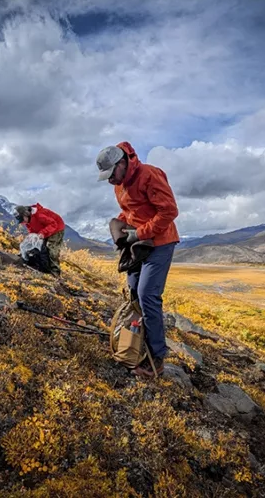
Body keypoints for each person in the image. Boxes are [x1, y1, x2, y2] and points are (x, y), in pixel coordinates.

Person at [96, 142, 179, 378]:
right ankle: (136, 344)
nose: (111, 180)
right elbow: (130, 211)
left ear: (122, 163)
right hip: (139, 245)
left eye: (112, 174)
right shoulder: (119, 185)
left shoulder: (149, 175)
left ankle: (157, 357)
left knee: (147, 295)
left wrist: (139, 233)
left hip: (161, 242)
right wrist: (121, 229)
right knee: (133, 293)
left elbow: (169, 212)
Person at [14, 203, 65, 277]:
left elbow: (53, 224)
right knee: (39, 245)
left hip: (57, 228)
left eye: (22, 220)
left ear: (25, 215)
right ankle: (40, 264)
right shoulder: (27, 220)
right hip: (44, 228)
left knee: (51, 249)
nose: (22, 222)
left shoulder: (39, 215)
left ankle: (55, 271)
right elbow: (32, 230)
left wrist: (43, 233)